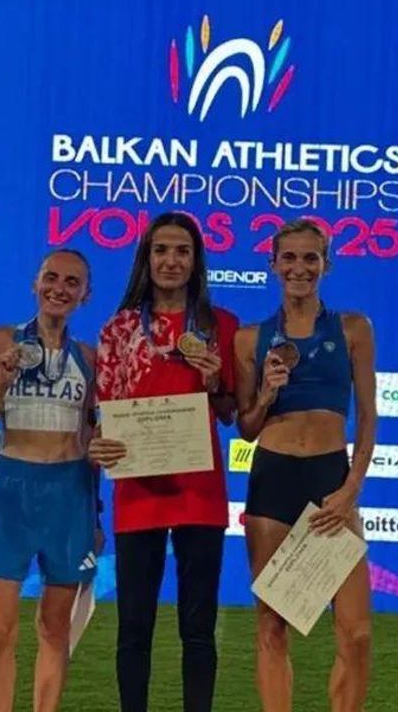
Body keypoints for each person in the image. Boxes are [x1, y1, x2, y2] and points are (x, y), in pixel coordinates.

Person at [88, 211, 238, 712]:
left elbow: (230, 413)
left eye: (182, 251)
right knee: (134, 628)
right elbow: (106, 414)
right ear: (146, 259)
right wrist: (99, 445)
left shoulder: (220, 326)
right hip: (138, 491)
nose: (171, 260)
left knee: (198, 629)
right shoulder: (119, 329)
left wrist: (214, 381)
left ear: (196, 261)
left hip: (200, 490)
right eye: (161, 250)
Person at [232, 218, 377, 712]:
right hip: (273, 480)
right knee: (272, 627)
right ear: (273, 264)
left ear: (326, 265)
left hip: (331, 480)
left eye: (310, 258)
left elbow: (368, 414)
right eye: (289, 258)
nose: (299, 268)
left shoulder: (354, 329)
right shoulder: (250, 338)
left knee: (356, 632)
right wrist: (266, 394)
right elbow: (246, 427)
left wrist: (352, 487)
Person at [0, 249, 101, 712]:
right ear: (35, 282)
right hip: (12, 487)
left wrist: (96, 515)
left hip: (70, 493)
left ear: (85, 295)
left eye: (72, 282)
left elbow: (91, 438)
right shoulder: (1, 339)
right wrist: (0, 383)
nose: (59, 288)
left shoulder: (89, 358)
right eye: (51, 277)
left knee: (55, 628)